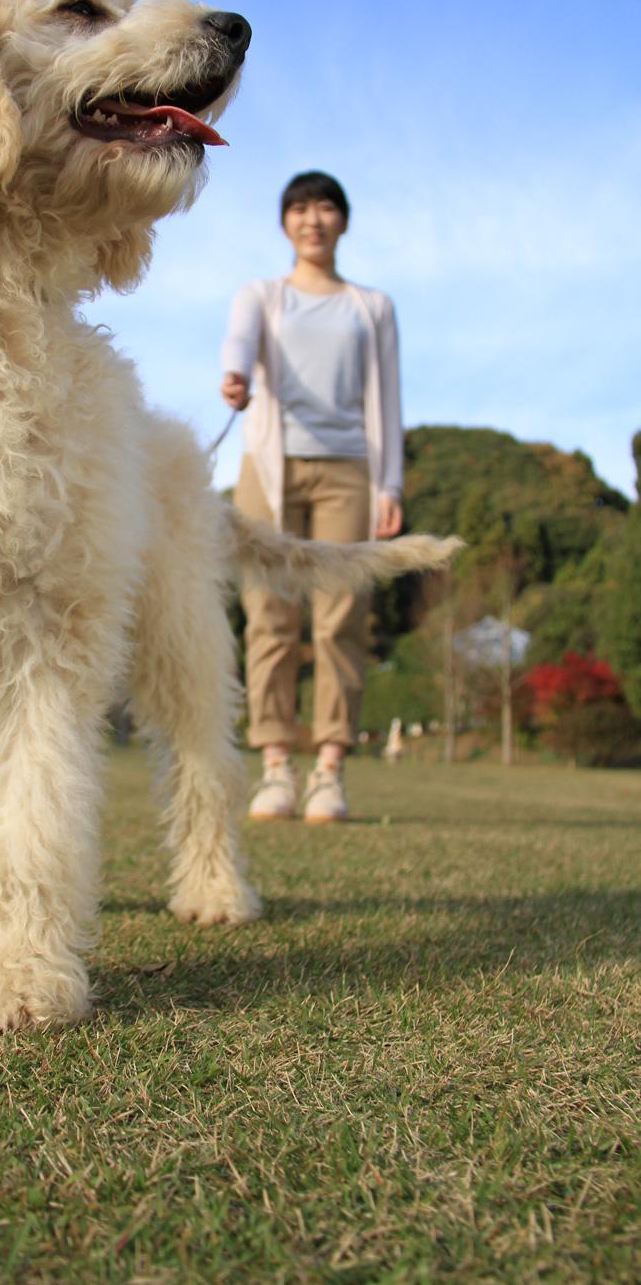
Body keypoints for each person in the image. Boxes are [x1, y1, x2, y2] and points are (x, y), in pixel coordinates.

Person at [220, 171, 403, 823]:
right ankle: (275, 767)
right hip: (268, 468)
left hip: (349, 469)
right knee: (268, 614)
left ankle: (328, 770)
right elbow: (240, 337)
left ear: (342, 222)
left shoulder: (370, 306)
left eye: (325, 207)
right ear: (285, 223)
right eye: (299, 207)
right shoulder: (262, 295)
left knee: (340, 617)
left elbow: (386, 395)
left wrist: (390, 484)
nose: (312, 218)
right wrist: (235, 372)